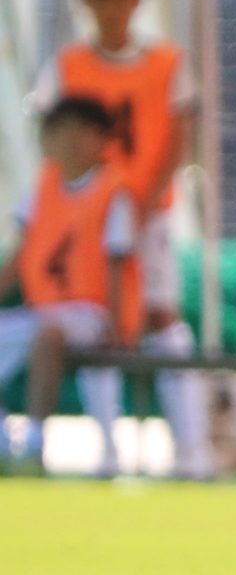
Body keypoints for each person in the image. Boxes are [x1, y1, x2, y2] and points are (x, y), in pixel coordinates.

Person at [31, 0, 210, 476]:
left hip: (147, 214)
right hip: (87, 216)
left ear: (138, 0)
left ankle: (192, 448)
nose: (113, 6)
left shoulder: (166, 62)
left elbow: (179, 136)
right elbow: (50, 139)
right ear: (87, 2)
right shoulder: (68, 67)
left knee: (160, 316)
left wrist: (143, 201)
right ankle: (108, 449)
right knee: (97, 319)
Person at [0, 97, 135, 473]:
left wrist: (119, 326)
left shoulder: (114, 189)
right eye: (61, 131)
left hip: (90, 313)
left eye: (81, 131)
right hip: (43, 309)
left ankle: (34, 443)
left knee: (50, 334)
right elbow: (20, 255)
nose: (70, 140)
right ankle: (3, 444)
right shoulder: (44, 185)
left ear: (101, 139)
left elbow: (117, 263)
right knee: (43, 327)